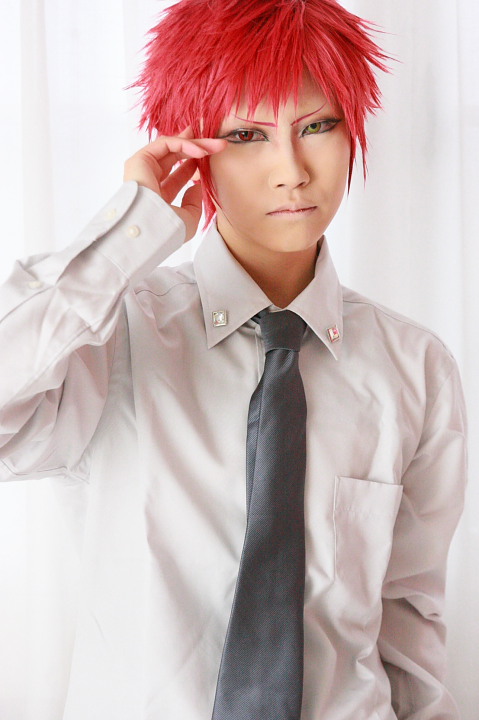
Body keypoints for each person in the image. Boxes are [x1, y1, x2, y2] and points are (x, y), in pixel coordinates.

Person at [0, 0, 467, 719]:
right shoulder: (111, 334)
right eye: (246, 135)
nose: (291, 170)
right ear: (191, 148)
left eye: (317, 126)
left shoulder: (416, 366)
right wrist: (130, 230)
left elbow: (407, 624)